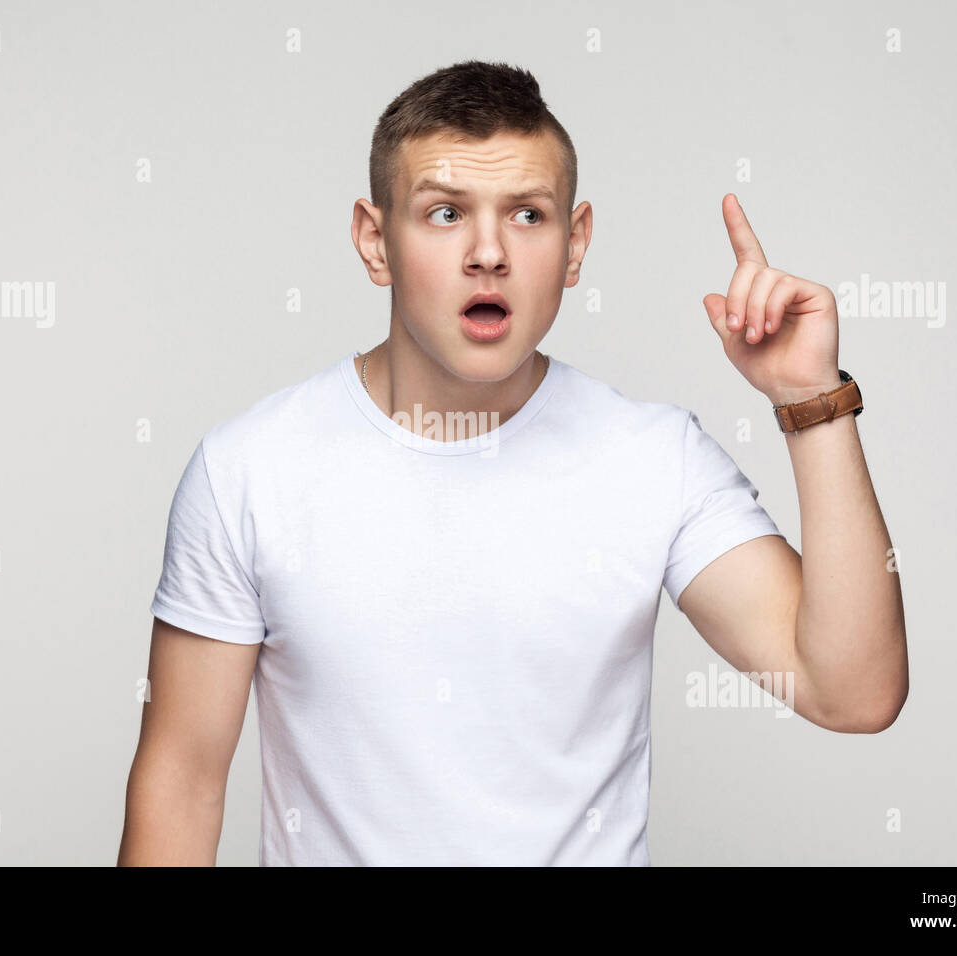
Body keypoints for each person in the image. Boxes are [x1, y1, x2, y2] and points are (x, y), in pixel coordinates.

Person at [117, 60, 908, 867]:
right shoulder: (249, 468)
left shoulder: (651, 458)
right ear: (374, 239)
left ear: (575, 244)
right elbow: (182, 782)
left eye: (528, 214)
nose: (488, 253)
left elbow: (851, 692)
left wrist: (810, 400)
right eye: (445, 213)